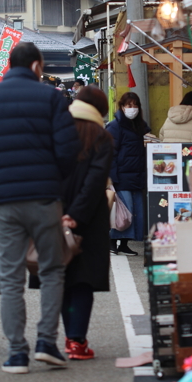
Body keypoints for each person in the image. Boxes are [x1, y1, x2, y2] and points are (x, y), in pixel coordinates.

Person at [0, 41, 80, 374]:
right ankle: (46, 342)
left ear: (9, 65)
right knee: (52, 269)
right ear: (37, 66)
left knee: (10, 275)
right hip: (44, 198)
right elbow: (69, 149)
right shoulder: (51, 97)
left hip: (2, 201)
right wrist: (53, 178)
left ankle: (16, 353)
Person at [60, 86, 114, 360]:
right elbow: (95, 181)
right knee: (83, 280)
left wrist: (59, 211)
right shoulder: (101, 137)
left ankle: (70, 336)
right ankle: (76, 341)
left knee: (62, 277)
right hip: (90, 218)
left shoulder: (55, 131)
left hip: (54, 215)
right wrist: (77, 214)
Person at [107, 91, 150, 255]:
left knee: (134, 212)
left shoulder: (138, 126)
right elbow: (111, 153)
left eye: (135, 105)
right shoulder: (115, 126)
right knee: (123, 211)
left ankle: (123, 244)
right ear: (122, 107)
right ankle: (111, 241)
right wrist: (112, 178)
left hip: (137, 176)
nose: (132, 108)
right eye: (128, 105)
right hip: (122, 176)